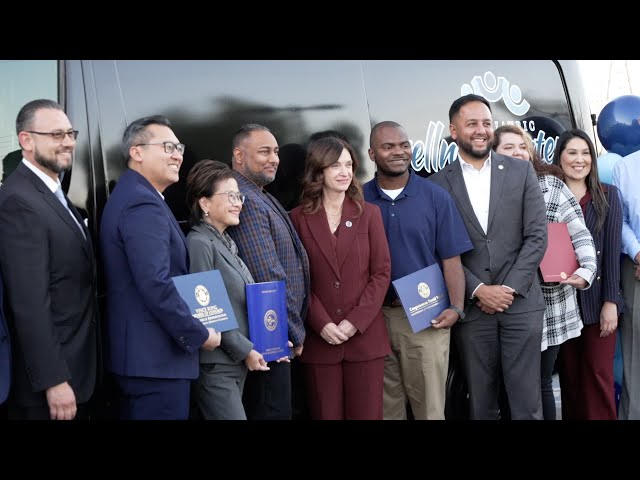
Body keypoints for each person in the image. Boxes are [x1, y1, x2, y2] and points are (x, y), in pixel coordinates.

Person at [429, 94, 548, 420]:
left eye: (486, 123)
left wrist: (507, 289)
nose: (481, 130)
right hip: (472, 307)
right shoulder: (437, 185)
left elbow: (537, 237)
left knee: (526, 403)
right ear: (454, 131)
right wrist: (479, 290)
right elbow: (439, 251)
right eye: (472, 124)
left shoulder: (521, 172)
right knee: (480, 403)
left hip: (521, 304)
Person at [100, 115, 221, 420]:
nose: (177, 154)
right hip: (155, 364)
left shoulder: (135, 195)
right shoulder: (142, 203)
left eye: (179, 147)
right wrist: (198, 333)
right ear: (136, 152)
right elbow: (156, 283)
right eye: (167, 146)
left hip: (145, 361)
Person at [364, 121, 472, 420]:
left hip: (426, 316)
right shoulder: (358, 200)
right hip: (372, 318)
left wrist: (456, 307)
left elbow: (451, 258)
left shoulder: (435, 196)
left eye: (404, 145)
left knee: (430, 408)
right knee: (385, 408)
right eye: (388, 147)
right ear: (372, 153)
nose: (399, 152)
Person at [0, 99, 97, 420]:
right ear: (26, 140)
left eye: (70, 133)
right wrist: (53, 379)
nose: (68, 142)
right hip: (51, 388)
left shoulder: (53, 193)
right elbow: (29, 303)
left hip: (80, 370)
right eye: (56, 135)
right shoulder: (18, 201)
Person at [493, 125, 597, 420]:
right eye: (508, 147)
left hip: (550, 305)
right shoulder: (483, 192)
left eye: (522, 146)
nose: (517, 152)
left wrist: (586, 269)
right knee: (506, 386)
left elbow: (579, 232)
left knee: (539, 384)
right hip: (502, 304)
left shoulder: (551, 186)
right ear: (493, 154)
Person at [290, 136, 391, 419]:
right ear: (319, 170)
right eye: (335, 166)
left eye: (348, 165)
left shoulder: (369, 214)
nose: (344, 172)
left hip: (364, 339)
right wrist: (321, 323)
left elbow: (381, 273)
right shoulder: (297, 218)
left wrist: (354, 322)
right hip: (320, 342)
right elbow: (296, 278)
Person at [227, 123, 310, 420]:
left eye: (275, 151)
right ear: (239, 155)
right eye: (264, 151)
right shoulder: (244, 199)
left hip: (275, 333)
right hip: (271, 337)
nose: (274, 158)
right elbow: (268, 275)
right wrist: (293, 330)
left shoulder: (260, 193)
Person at [185, 159, 270, 420]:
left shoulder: (225, 242)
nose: (238, 202)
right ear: (205, 203)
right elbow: (207, 313)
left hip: (233, 363)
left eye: (239, 196)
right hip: (215, 366)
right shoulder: (199, 243)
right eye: (230, 196)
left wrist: (271, 338)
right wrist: (245, 350)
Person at [552, 129, 623, 420]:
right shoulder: (550, 196)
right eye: (572, 153)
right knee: (570, 380)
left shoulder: (607, 195)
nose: (579, 160)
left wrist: (611, 302)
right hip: (561, 304)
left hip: (599, 303)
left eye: (585, 153)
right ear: (560, 157)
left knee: (597, 375)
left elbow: (612, 253)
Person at [612, 142, 640, 420]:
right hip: (636, 268)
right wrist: (637, 252)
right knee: (635, 353)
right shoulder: (626, 166)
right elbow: (619, 220)